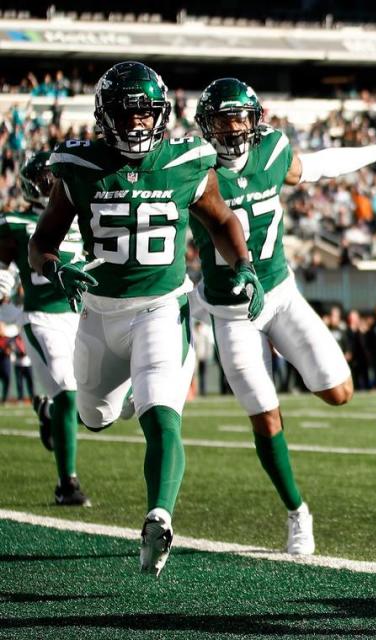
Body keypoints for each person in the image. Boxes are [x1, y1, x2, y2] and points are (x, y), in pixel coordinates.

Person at [29, 61, 261, 577]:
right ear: (105, 116)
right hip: (98, 314)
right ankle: (110, 399)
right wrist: (55, 269)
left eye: (145, 113)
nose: (137, 124)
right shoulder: (78, 165)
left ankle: (159, 514)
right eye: (126, 114)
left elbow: (222, 219)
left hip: (161, 307)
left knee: (163, 414)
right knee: (95, 417)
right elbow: (41, 242)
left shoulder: (188, 159)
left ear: (161, 114)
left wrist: (245, 266)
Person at [190, 77, 376, 553]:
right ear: (207, 125)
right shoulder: (193, 167)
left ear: (255, 120)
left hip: (279, 294)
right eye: (223, 119)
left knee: (340, 392)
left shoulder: (273, 151)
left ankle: (284, 352)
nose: (233, 128)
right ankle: (297, 512)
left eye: (240, 117)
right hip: (231, 311)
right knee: (264, 414)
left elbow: (318, 167)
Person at [0, 152, 91, 506]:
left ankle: (49, 413)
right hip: (42, 318)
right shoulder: (17, 222)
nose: (50, 185)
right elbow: (5, 265)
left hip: (81, 318)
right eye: (44, 179)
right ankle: (66, 484)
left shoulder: (82, 220)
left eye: (53, 179)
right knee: (68, 392)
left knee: (97, 406)